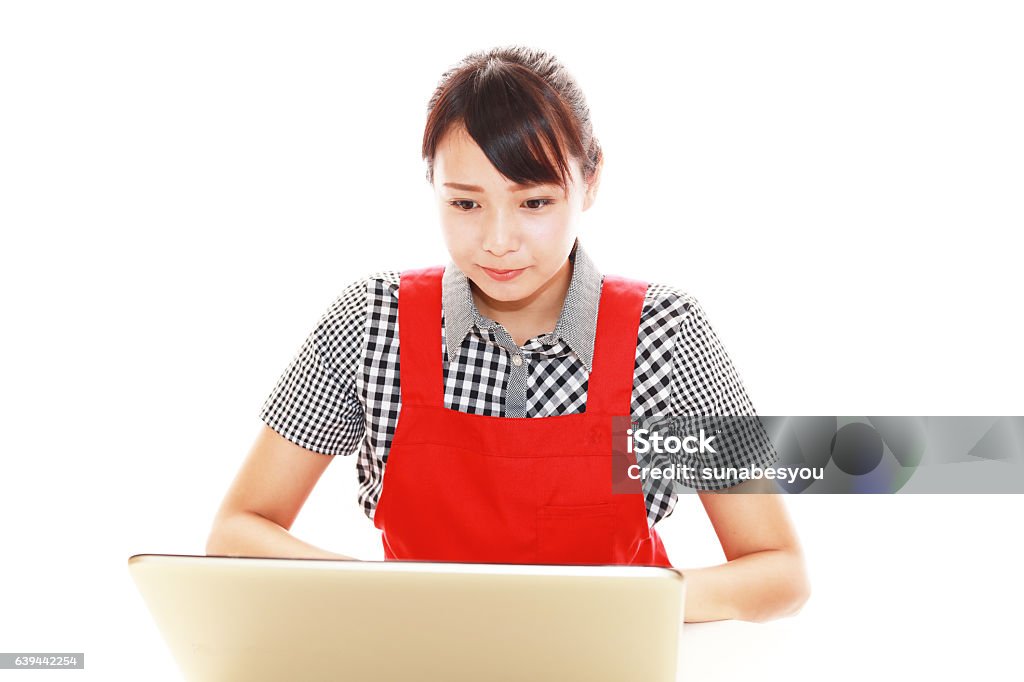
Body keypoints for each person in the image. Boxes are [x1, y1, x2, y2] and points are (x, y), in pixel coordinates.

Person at [205, 45, 810, 623]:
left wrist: (613, 604)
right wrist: (381, 594)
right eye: (466, 205)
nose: (498, 241)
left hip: (607, 664)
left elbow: (776, 571)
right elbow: (238, 530)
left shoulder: (662, 340)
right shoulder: (373, 325)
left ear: (590, 182)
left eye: (535, 203)